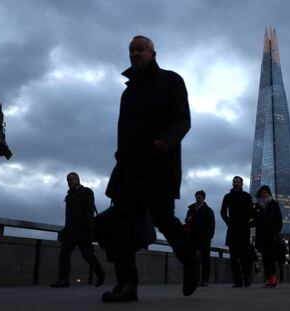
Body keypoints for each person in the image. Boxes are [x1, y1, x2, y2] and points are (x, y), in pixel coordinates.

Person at [102, 35, 198, 302]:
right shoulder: (127, 92)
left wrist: (167, 141)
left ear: (153, 53)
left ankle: (191, 262)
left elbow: (183, 119)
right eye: (131, 50)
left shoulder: (171, 80)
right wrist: (120, 158)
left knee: (164, 219)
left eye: (140, 49)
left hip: (160, 164)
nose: (135, 54)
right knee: (120, 224)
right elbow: (122, 130)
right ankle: (126, 284)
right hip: (131, 168)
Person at [50, 172, 104, 288]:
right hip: (70, 231)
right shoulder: (69, 195)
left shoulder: (86, 192)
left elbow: (89, 211)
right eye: (68, 180)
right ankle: (63, 280)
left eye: (71, 179)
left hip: (82, 231)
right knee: (64, 254)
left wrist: (87, 228)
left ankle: (101, 275)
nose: (69, 182)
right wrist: (66, 228)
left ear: (77, 179)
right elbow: (68, 215)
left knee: (88, 255)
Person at [220, 176, 254, 288]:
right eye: (234, 181)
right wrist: (229, 223)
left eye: (237, 181)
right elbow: (223, 212)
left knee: (245, 256)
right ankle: (237, 281)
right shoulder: (227, 196)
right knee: (233, 257)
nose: (235, 183)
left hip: (244, 229)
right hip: (232, 229)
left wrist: (246, 223)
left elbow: (251, 212)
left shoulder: (247, 196)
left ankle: (246, 276)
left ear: (242, 183)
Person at [252, 185, 283, 288]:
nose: (263, 194)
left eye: (265, 192)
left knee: (272, 258)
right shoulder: (257, 206)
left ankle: (273, 279)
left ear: (269, 193)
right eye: (262, 192)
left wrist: (275, 231)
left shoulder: (274, 204)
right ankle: (268, 279)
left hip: (272, 236)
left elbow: (279, 220)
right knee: (265, 258)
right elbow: (255, 221)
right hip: (261, 236)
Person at [185, 190, 215, 287]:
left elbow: (212, 225)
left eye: (200, 198)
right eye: (197, 197)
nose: (198, 199)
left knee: (205, 260)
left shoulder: (208, 210)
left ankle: (204, 280)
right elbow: (186, 220)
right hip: (192, 237)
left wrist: (209, 237)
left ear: (204, 198)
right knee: (193, 259)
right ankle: (195, 279)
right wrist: (188, 219)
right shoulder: (191, 209)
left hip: (204, 239)